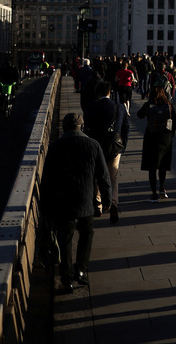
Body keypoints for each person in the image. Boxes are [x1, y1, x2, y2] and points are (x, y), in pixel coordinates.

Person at [40, 113, 111, 292]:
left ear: (64, 128)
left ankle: (67, 278)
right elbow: (103, 175)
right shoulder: (93, 145)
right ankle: (81, 270)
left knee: (65, 239)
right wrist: (107, 199)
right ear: (82, 126)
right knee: (87, 233)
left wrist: (45, 205)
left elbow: (47, 179)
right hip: (85, 200)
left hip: (63, 202)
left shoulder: (56, 146)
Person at [84, 81, 129, 223]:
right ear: (110, 92)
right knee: (113, 176)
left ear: (98, 93)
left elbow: (87, 128)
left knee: (97, 175)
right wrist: (123, 146)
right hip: (114, 147)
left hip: (97, 146)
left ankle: (98, 205)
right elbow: (126, 128)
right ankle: (113, 202)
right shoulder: (119, 107)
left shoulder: (91, 107)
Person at [137, 86, 176, 202]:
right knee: (163, 165)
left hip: (151, 137)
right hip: (165, 138)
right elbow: (174, 122)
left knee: (152, 167)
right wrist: (170, 135)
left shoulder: (149, 105)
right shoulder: (169, 105)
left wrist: (147, 104)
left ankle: (154, 193)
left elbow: (139, 115)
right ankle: (162, 189)